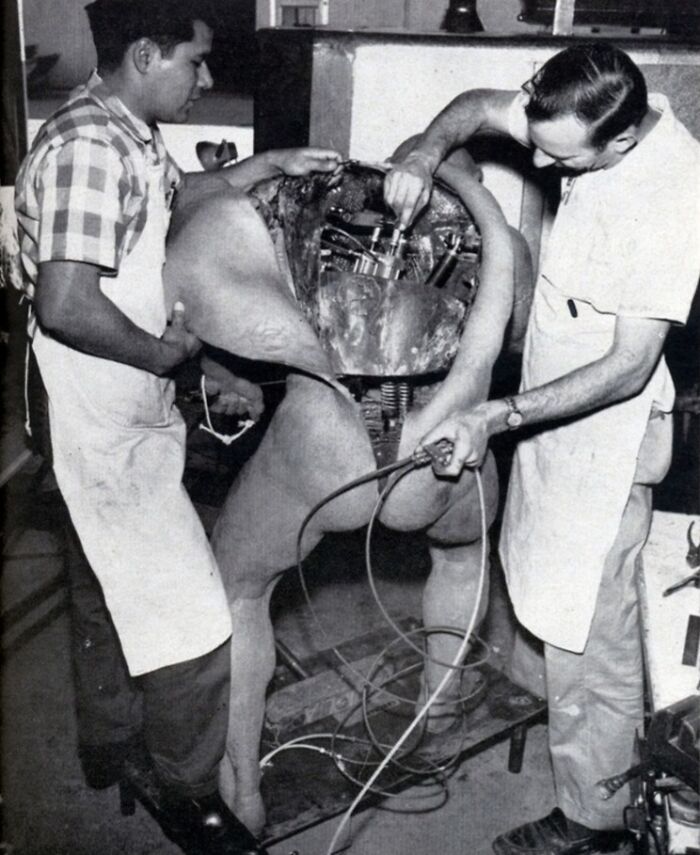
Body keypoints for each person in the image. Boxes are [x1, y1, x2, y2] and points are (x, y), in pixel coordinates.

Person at [14, 1, 341, 853]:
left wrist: (265, 166)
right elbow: (67, 303)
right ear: (145, 53)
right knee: (197, 624)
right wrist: (171, 358)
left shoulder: (120, 127)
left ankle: (110, 745)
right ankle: (191, 792)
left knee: (99, 581)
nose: (204, 78)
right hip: (90, 397)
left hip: (114, 394)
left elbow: (170, 196)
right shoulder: (88, 148)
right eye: (194, 63)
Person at [385, 42, 700, 855]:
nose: (532, 158)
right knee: (543, 587)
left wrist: (499, 414)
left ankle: (596, 823)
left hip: (609, 432)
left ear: (619, 145)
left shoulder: (670, 200)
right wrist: (426, 148)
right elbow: (475, 107)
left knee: (592, 637)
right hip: (553, 415)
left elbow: (629, 368)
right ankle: (562, 733)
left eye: (556, 159)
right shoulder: (576, 114)